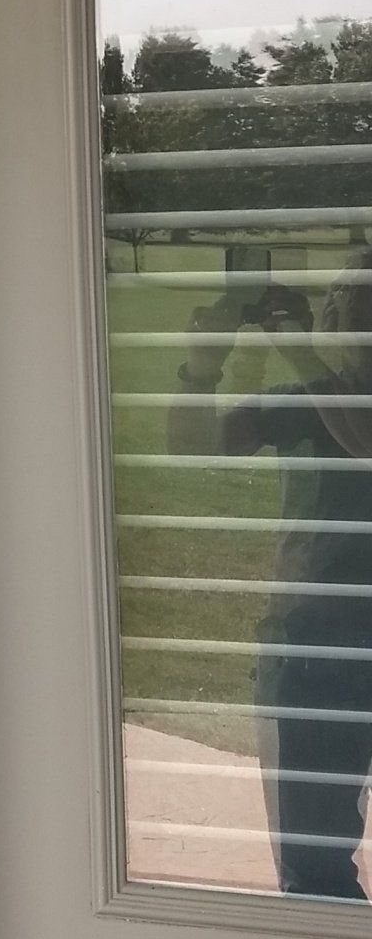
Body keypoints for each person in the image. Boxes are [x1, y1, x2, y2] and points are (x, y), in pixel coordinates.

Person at [168, 248, 372, 900]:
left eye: (355, 287)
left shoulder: (321, 391)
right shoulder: (301, 399)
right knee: (313, 873)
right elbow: (193, 447)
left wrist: (300, 350)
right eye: (337, 286)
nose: (337, 298)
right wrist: (201, 366)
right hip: (314, 653)